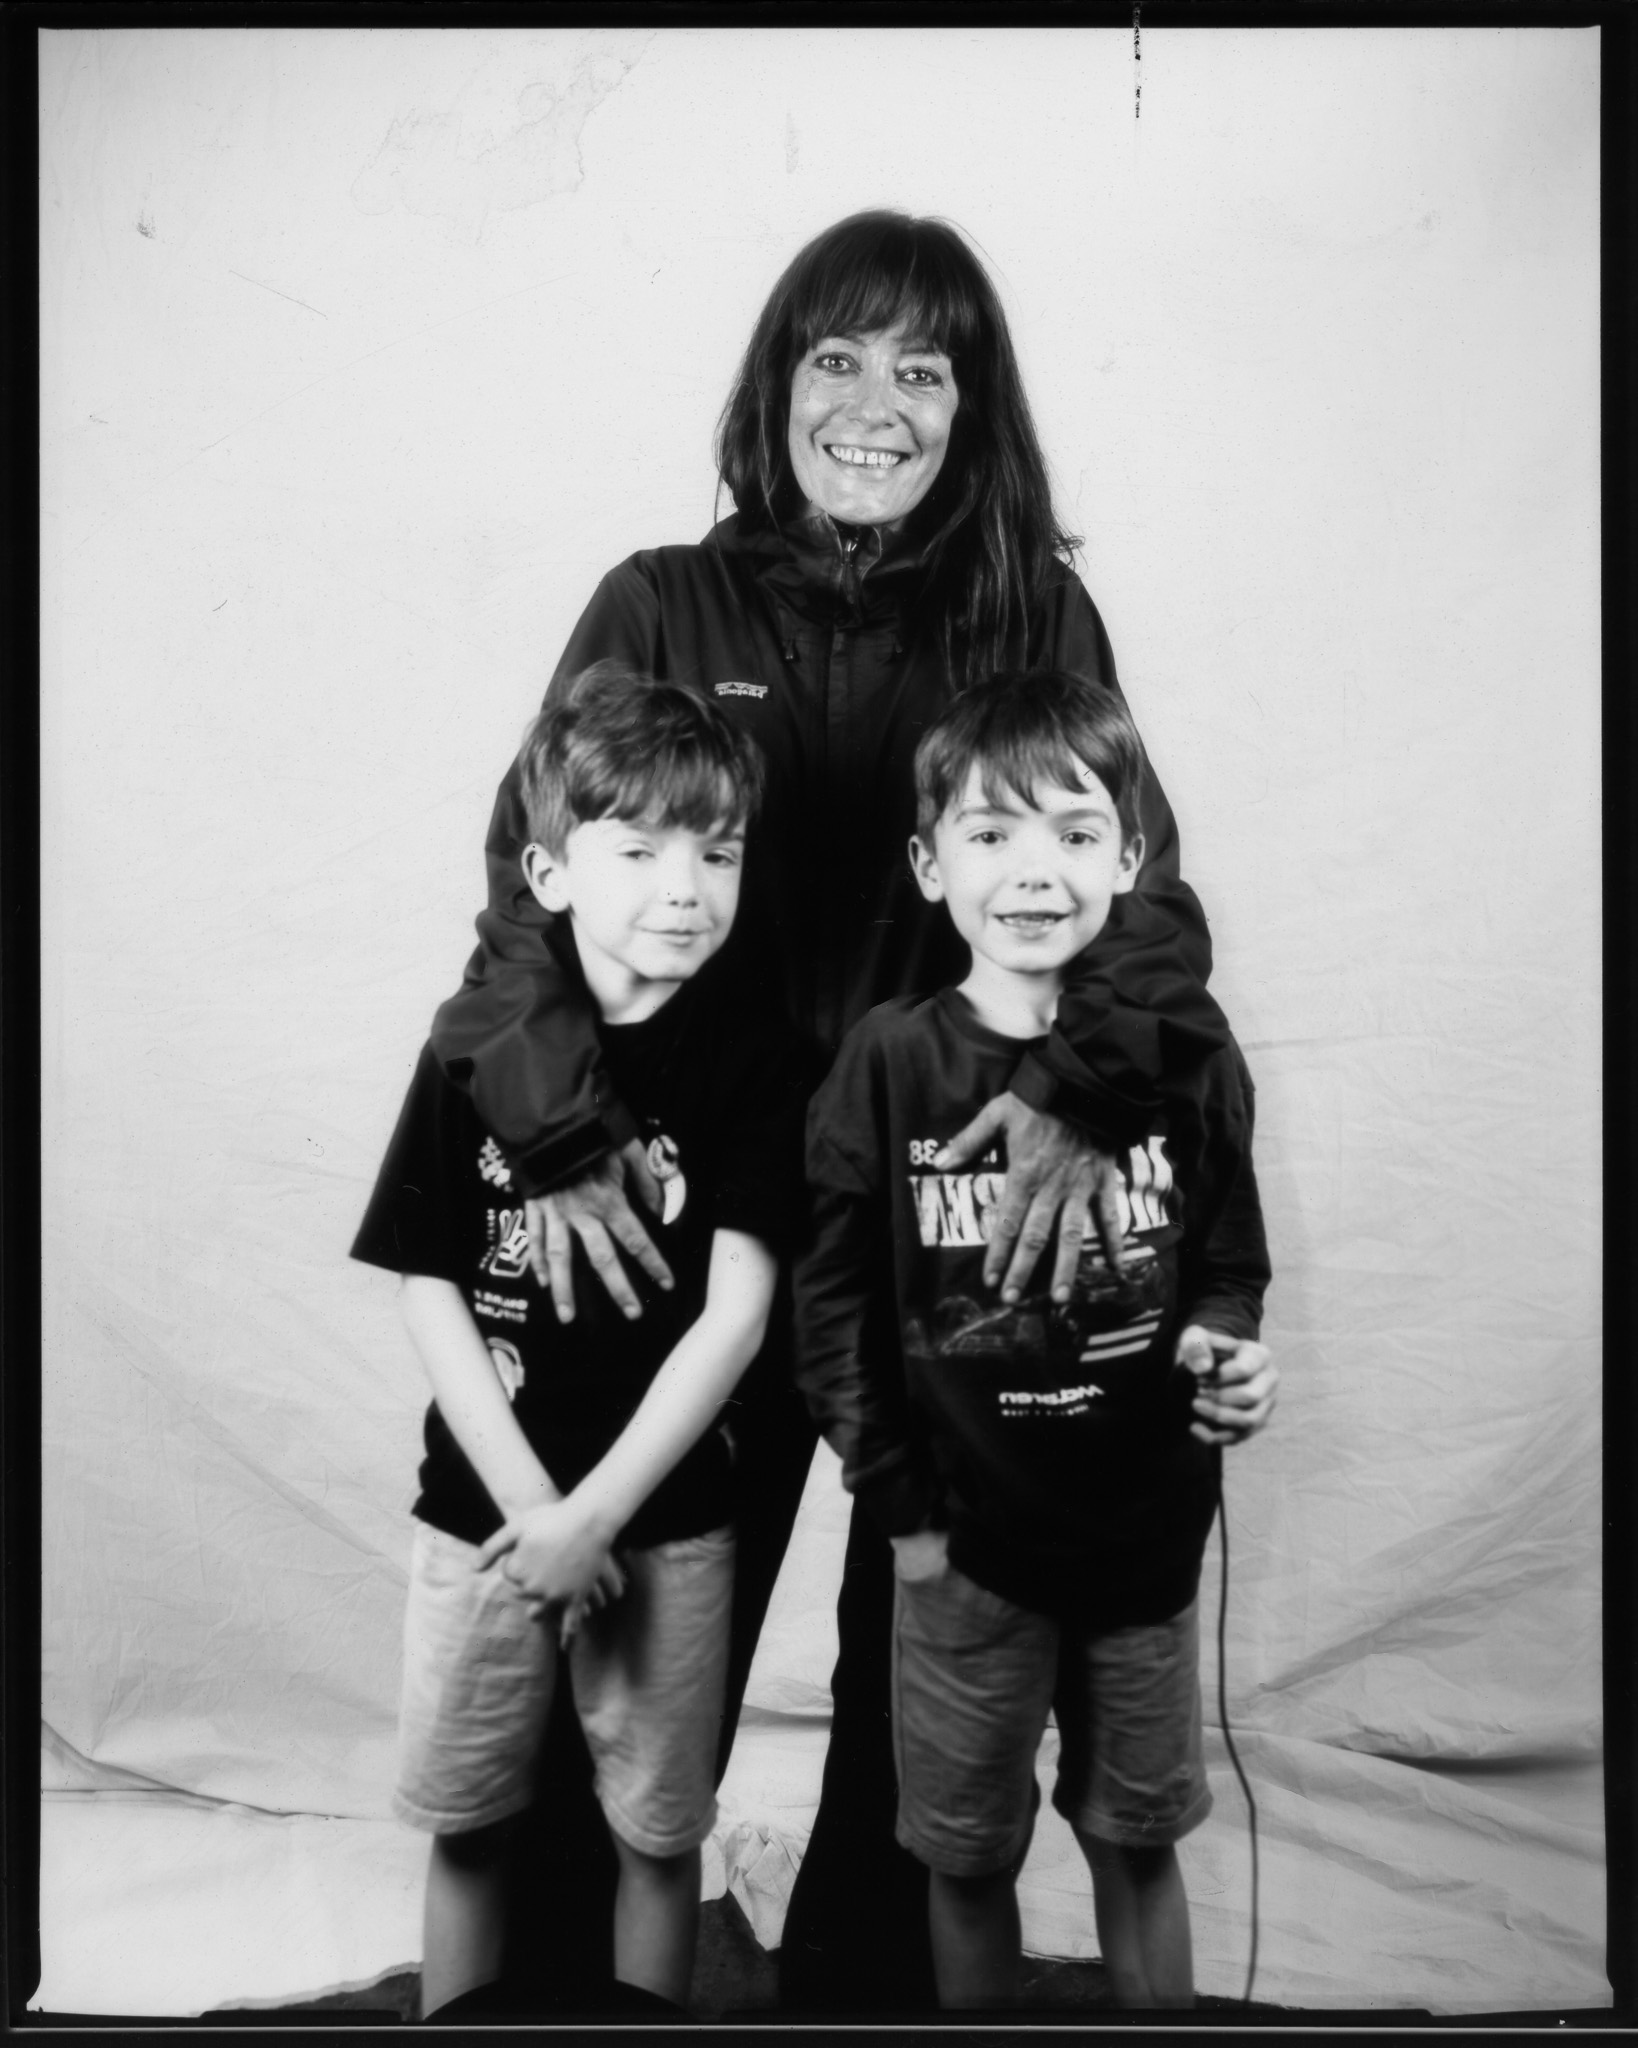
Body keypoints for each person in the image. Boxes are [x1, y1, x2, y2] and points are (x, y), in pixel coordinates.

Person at [427, 210, 1268, 2010]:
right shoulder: (660, 599)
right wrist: (565, 1133)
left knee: (928, 1647)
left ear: (974, 408)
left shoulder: (1030, 609)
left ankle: (866, 1996)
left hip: (941, 1212)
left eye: (922, 362)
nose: (873, 400)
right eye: (835, 354)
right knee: (651, 1624)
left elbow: (1147, 899)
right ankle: (583, 1993)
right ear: (773, 384)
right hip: (703, 1207)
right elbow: (529, 887)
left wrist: (1068, 1091)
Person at [794, 670, 1276, 2010]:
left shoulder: (1184, 1060)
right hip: (961, 1551)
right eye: (991, 832)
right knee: (964, 1859)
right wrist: (898, 1509)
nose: (1034, 870)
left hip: (1145, 1542)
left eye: (1073, 833)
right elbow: (831, 1312)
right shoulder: (887, 1064)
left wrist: (1228, 1353)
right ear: (926, 860)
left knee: (1133, 1841)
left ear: (1130, 856)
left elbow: (1228, 1267)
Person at [351, 667, 805, 2017]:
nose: (685, 887)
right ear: (547, 872)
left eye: (716, 853)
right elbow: (426, 1284)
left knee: (658, 1838)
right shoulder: (476, 1056)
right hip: (483, 1517)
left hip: (666, 1523)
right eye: (639, 849)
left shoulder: (759, 1063)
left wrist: (599, 1513)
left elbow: (737, 1314)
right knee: (471, 1824)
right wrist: (538, 1509)